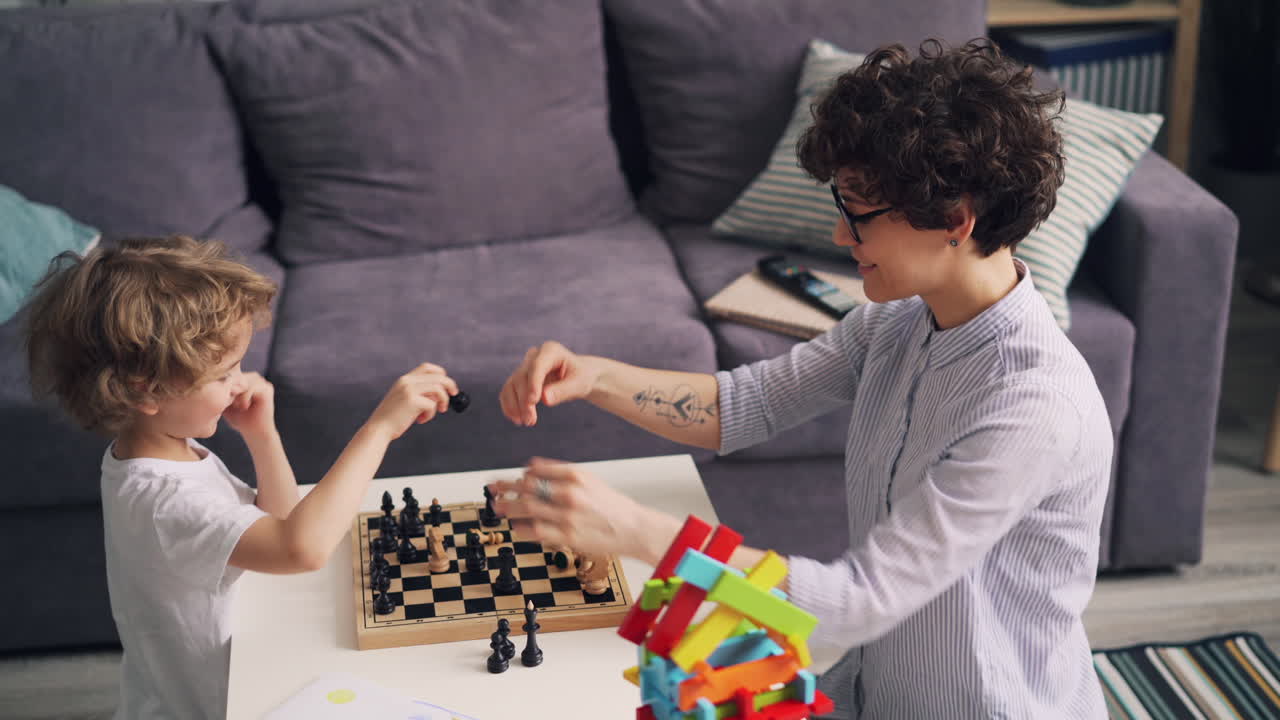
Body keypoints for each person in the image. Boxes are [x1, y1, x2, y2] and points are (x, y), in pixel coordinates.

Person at [490, 40, 1111, 718]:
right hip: (872, 693)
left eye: (860, 215)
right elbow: (744, 405)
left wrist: (642, 532)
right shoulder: (897, 323)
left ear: (955, 221)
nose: (842, 238)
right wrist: (596, 376)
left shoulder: (1032, 407)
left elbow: (855, 604)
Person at [22, 236, 459, 720]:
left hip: (227, 682)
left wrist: (261, 435)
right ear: (146, 391)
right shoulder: (161, 499)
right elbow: (303, 548)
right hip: (218, 706)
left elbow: (279, 520)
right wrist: (379, 430)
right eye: (224, 371)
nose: (239, 381)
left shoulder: (163, 453)